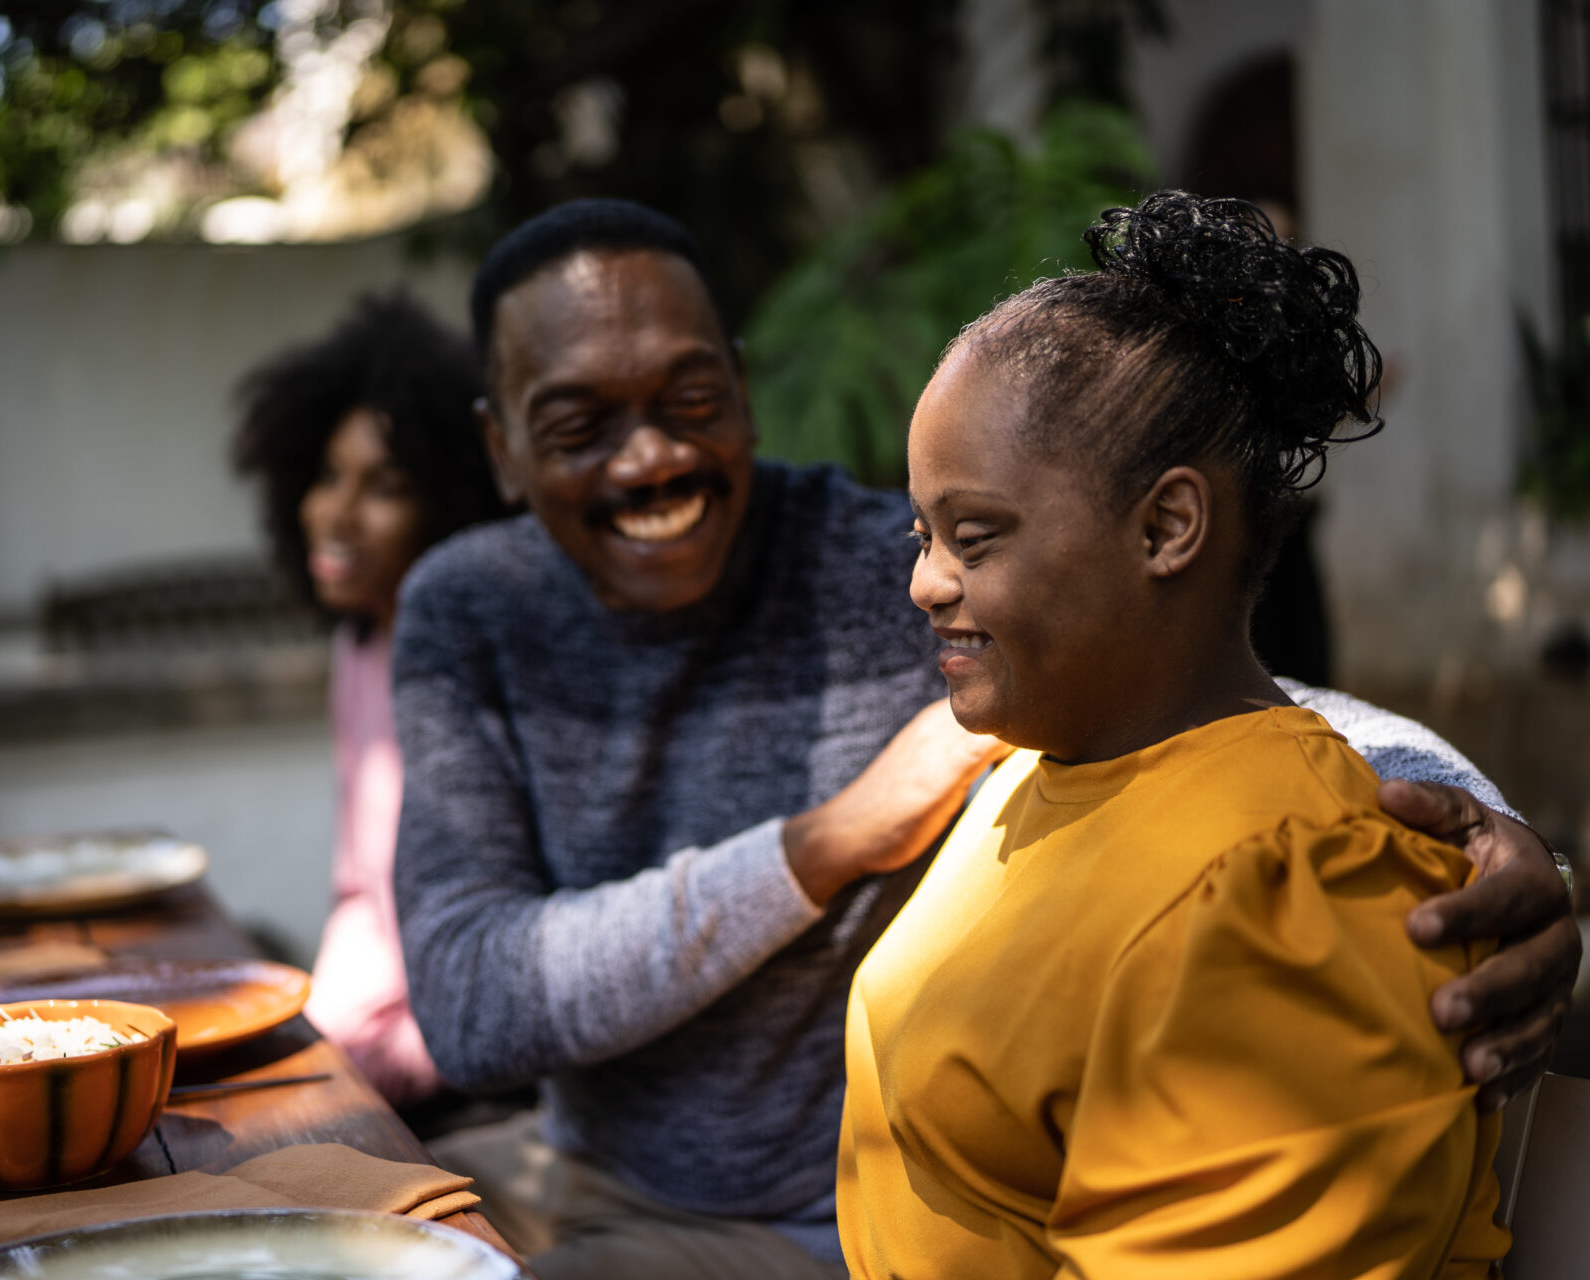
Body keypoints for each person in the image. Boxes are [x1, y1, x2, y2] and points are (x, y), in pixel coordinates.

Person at [391, 199, 1579, 1279]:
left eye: (690, 399)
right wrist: (828, 839)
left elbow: (1214, 704)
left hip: (810, 1225)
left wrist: (1471, 820)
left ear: (742, 390)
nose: (651, 455)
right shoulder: (469, 610)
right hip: (608, 1168)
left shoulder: (884, 576)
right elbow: (474, 1001)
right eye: (582, 420)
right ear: (500, 446)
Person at [838, 192, 1518, 1276]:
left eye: (976, 534)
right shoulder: (1044, 762)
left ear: (1166, 526)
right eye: (922, 531)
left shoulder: (1286, 895)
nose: (925, 581)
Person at [231, 292, 508, 1109]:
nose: (337, 513)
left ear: (449, 504)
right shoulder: (358, 647)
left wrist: (353, 1066)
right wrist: (318, 1032)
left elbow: (499, 953)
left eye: (384, 485)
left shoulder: (478, 669)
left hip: (466, 1075)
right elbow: (360, 892)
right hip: (369, 1059)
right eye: (325, 476)